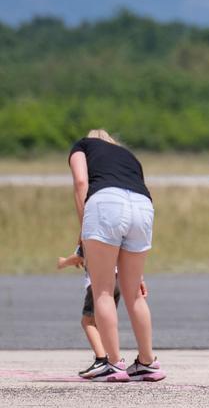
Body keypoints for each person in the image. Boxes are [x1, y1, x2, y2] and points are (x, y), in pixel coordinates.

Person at [67, 129, 164, 382]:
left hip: (105, 202)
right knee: (134, 294)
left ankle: (112, 362)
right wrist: (137, 274)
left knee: (103, 291)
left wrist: (84, 229)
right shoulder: (128, 155)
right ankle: (147, 362)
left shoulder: (83, 146)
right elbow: (132, 192)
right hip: (143, 206)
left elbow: (81, 183)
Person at [57, 245, 143, 381]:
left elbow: (78, 257)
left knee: (88, 322)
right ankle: (111, 358)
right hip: (118, 280)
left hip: (99, 284)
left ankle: (101, 360)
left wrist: (63, 262)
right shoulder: (116, 239)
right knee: (103, 321)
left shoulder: (92, 237)